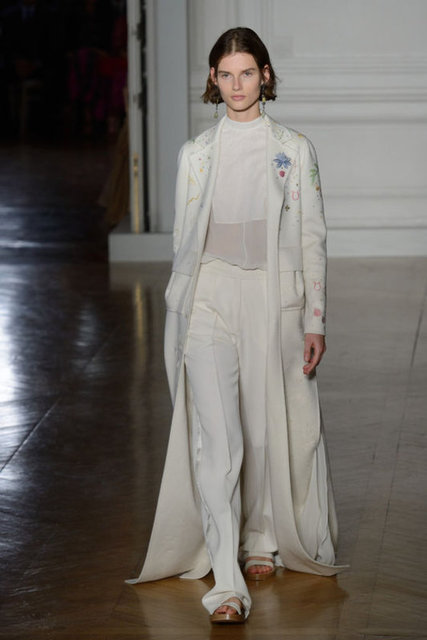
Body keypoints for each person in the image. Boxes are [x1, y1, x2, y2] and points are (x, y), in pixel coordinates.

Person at [127, 27, 346, 624]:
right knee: (217, 439)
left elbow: (312, 237)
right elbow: (183, 240)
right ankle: (227, 584)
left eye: (247, 73)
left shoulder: (294, 149)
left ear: (265, 76)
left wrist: (315, 319)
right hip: (208, 296)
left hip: (271, 296)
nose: (237, 85)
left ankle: (262, 537)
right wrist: (179, 306)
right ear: (213, 80)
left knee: (263, 426)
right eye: (226, 75)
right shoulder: (195, 154)